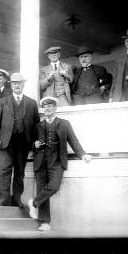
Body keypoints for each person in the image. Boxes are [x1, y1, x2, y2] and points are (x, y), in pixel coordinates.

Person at [27, 97, 92, 231]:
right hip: (40, 162)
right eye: (45, 107)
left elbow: (73, 140)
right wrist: (35, 145)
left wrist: (83, 154)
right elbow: (31, 144)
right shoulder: (38, 126)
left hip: (56, 162)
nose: (47, 109)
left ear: (55, 108)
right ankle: (44, 222)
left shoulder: (64, 124)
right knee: (41, 190)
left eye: (50, 106)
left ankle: (33, 203)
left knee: (54, 186)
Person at [0, 73, 40, 207]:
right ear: (11, 85)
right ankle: (3, 199)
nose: (17, 85)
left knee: (20, 171)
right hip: (6, 141)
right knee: (5, 169)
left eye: (19, 83)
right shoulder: (2, 101)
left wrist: (35, 142)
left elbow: (36, 125)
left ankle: (17, 199)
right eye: (14, 83)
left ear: (23, 85)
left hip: (23, 142)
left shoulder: (31, 103)